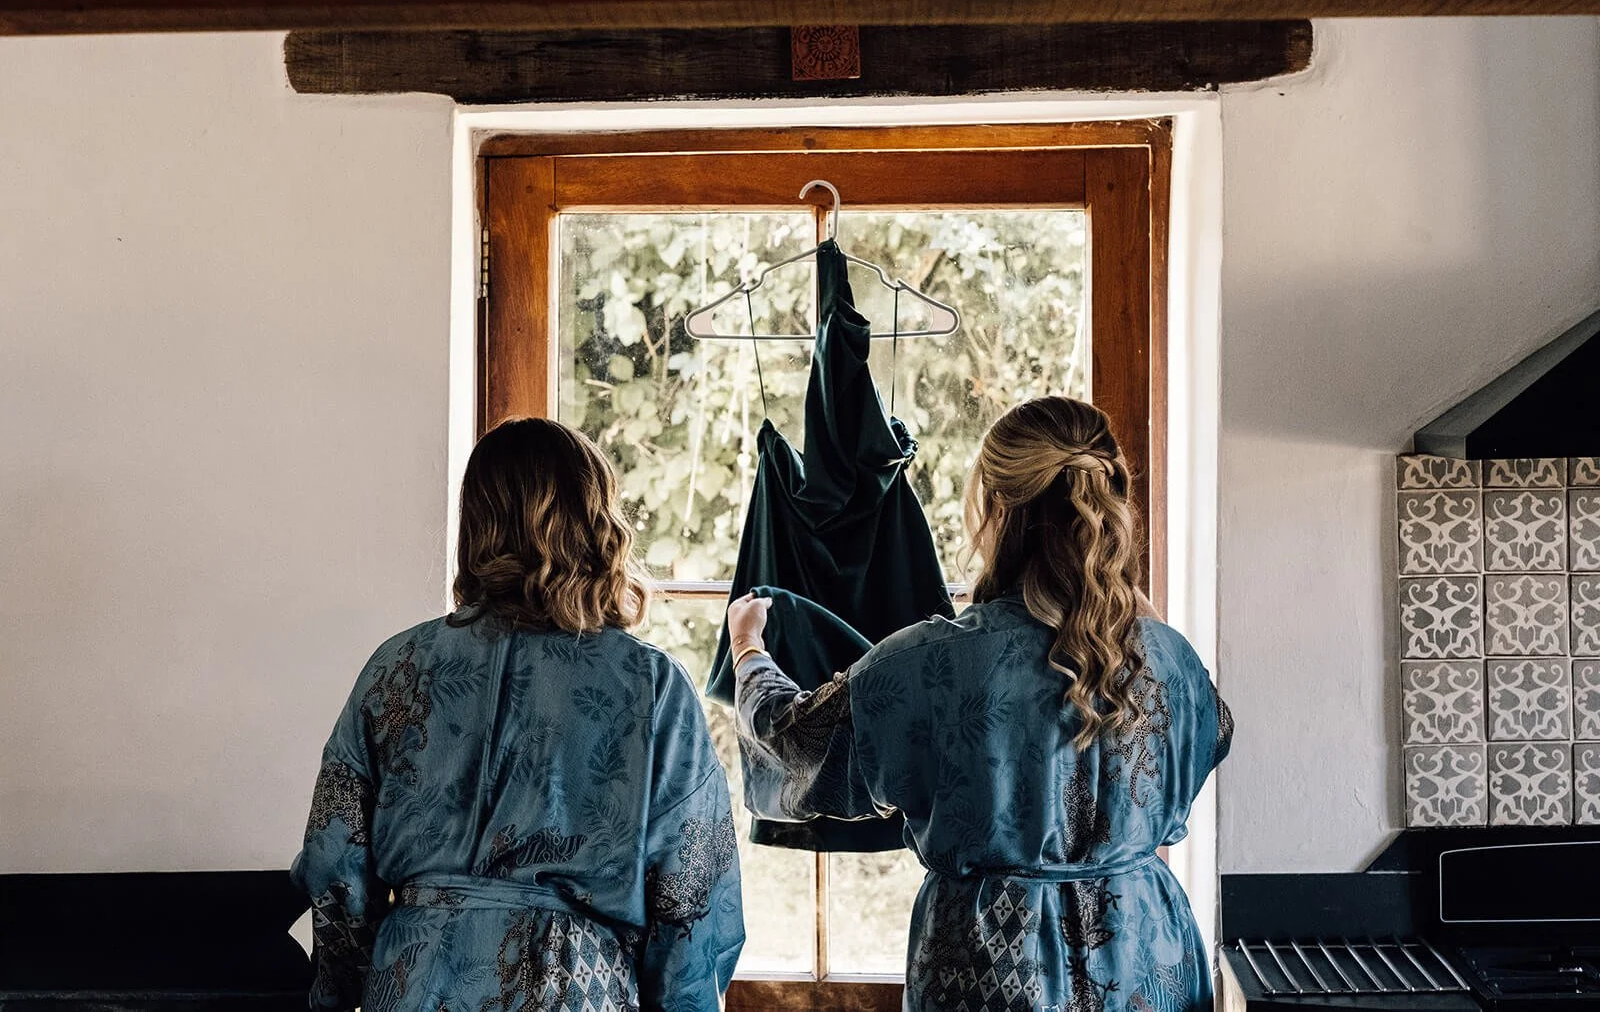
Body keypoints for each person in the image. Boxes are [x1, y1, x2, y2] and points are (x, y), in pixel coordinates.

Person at [726, 396, 1232, 1012]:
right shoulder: (1169, 659)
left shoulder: (928, 661)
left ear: (995, 508)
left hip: (991, 966)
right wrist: (1119, 592)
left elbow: (793, 740)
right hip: (1149, 958)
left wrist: (748, 648)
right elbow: (1215, 733)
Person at [293, 418, 744, 1012]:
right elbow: (693, 896)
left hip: (413, 982)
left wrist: (337, 992)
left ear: (476, 523)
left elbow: (335, 864)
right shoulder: (650, 685)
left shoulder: (394, 668)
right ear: (595, 522)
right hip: (573, 986)